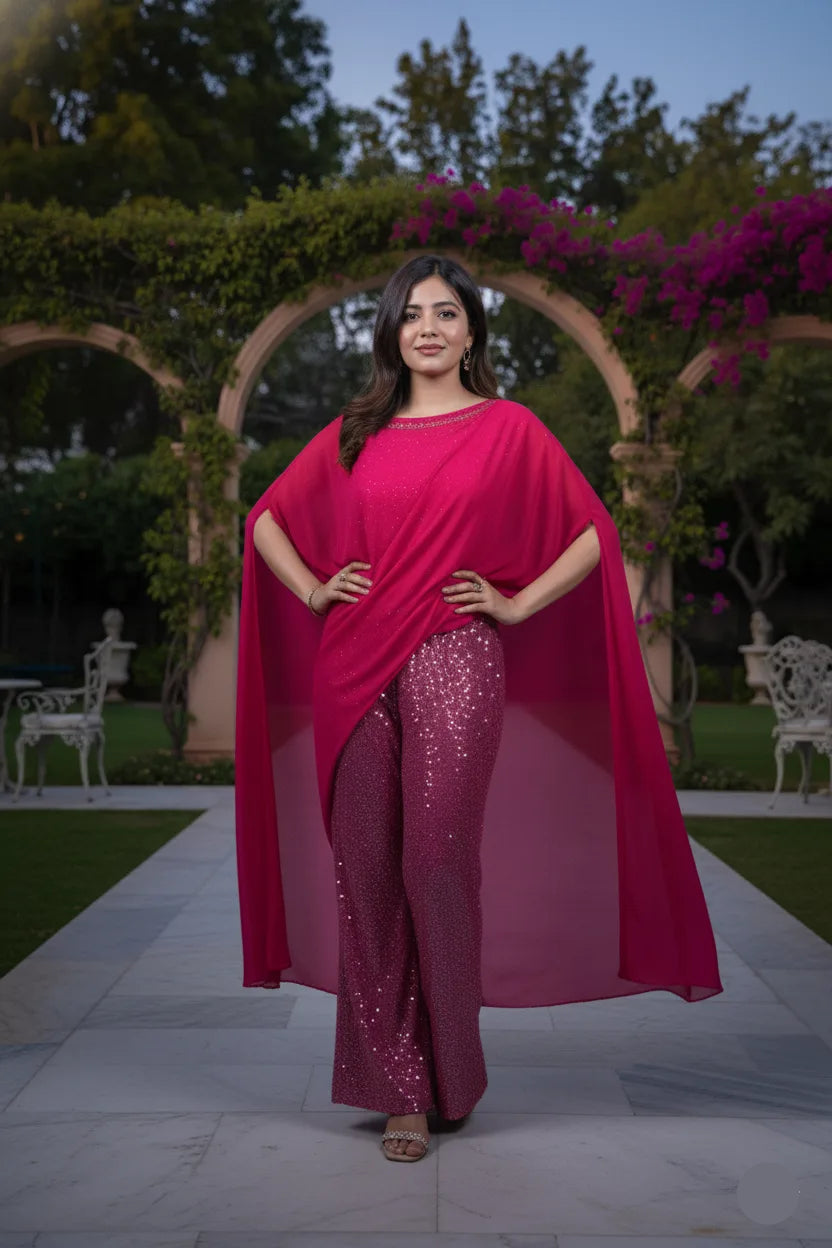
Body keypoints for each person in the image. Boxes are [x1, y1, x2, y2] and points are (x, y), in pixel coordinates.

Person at [235, 254, 723, 1164]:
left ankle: (451, 1071)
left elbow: (594, 531)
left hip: (456, 656)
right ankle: (399, 1091)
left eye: (446, 313)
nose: (427, 327)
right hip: (353, 666)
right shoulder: (353, 432)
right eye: (411, 313)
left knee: (437, 863)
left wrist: (517, 601)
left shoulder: (509, 428)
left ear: (471, 332)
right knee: (366, 876)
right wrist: (312, 589)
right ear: (392, 333)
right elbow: (265, 518)